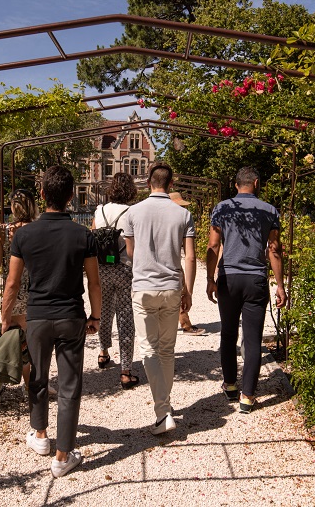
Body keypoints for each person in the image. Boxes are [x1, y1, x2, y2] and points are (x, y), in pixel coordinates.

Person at [2, 166, 101, 478]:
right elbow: (94, 283)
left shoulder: (24, 235)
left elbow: (12, 284)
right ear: (71, 196)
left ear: (42, 194)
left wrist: (5, 319)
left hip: (38, 318)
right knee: (70, 385)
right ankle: (62, 456)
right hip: (71, 315)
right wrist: (95, 316)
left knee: (38, 377)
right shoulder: (83, 235)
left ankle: (41, 435)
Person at [206, 166, 287, 414]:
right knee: (252, 338)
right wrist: (280, 284)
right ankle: (248, 396)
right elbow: (274, 250)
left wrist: (210, 279)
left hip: (229, 278)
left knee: (228, 333)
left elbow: (213, 245)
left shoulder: (222, 208)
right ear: (256, 182)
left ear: (236, 185)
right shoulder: (270, 210)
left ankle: (230, 384)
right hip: (255, 280)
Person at [123, 163, 195, 435]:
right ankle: (165, 406)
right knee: (167, 349)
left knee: (149, 349)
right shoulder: (183, 214)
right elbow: (188, 256)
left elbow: (130, 252)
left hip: (143, 287)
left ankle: (162, 411)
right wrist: (188, 290)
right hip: (171, 287)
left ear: (148, 183)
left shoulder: (133, 212)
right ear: (171, 183)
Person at [0, 189, 38, 393]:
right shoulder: (37, 230)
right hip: (34, 290)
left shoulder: (3, 231)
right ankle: (33, 383)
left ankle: (27, 384)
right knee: (34, 339)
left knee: (20, 340)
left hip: (13, 290)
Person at [91, 172, 140, 390]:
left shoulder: (99, 210)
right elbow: (132, 247)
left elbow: (92, 238)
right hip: (124, 269)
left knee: (104, 311)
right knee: (125, 315)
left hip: (102, 269)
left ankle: (103, 353)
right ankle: (126, 370)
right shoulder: (132, 212)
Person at [169, 191, 205, 336]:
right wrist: (189, 292)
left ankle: (185, 323)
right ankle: (186, 325)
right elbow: (190, 255)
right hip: (174, 264)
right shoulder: (180, 220)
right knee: (181, 292)